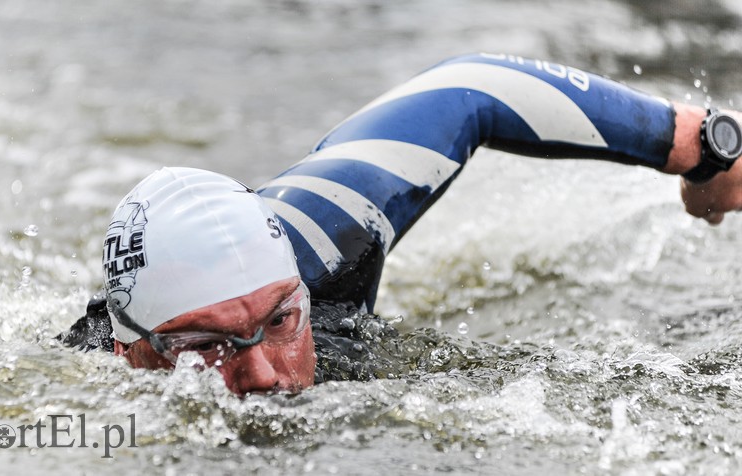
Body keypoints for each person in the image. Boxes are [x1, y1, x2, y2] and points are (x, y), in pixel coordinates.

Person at [60, 53, 742, 396]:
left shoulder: (319, 242)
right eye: (209, 345)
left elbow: (470, 90)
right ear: (136, 356)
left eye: (279, 321)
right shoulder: (72, 394)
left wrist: (698, 145)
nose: (265, 374)